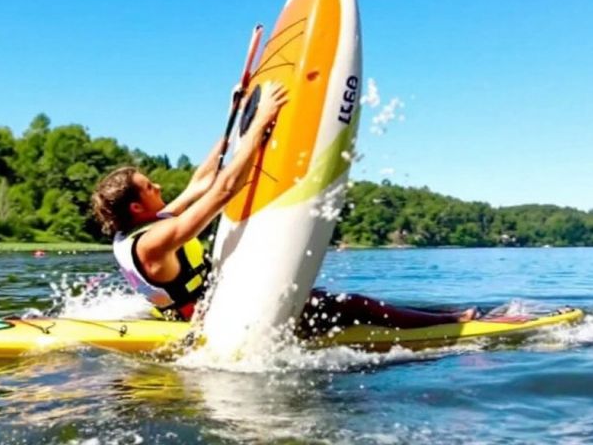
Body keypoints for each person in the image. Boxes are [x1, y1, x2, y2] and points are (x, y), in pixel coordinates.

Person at [90, 81, 475, 335]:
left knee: (322, 301)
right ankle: (449, 324)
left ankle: (430, 317)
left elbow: (201, 181)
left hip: (197, 310)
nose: (157, 185)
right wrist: (260, 122)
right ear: (138, 206)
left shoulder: (138, 230)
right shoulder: (154, 242)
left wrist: (235, 120)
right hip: (218, 322)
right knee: (346, 305)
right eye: (148, 186)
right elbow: (223, 190)